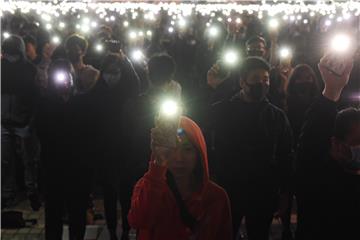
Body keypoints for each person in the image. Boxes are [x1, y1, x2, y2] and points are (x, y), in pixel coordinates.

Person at [208, 57, 293, 240]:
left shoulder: (276, 117)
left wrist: (285, 191)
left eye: (266, 79)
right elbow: (209, 146)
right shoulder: (222, 111)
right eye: (256, 78)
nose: (261, 84)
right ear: (242, 82)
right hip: (229, 189)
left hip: (263, 192)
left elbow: (285, 154)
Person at [128, 116, 232, 240]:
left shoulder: (216, 196)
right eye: (172, 149)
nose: (179, 158)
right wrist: (158, 164)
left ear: (199, 153)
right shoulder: (147, 187)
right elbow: (139, 221)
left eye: (187, 149)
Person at [295, 55, 360, 240]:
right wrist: (332, 90)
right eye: (356, 143)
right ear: (336, 145)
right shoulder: (318, 182)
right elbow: (310, 146)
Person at [121, 53, 181, 239]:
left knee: (143, 212)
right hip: (166, 167)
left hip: (138, 166)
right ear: (171, 76)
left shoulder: (133, 104)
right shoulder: (177, 105)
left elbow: (125, 137)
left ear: (148, 73)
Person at [36, 59, 92, 240]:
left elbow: (89, 134)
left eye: (68, 75)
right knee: (54, 215)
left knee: (77, 214)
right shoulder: (45, 104)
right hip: (53, 167)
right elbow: (41, 133)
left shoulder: (82, 102)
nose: (64, 81)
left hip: (78, 168)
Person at [93, 52, 140, 240]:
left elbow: (136, 83)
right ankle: (112, 229)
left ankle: (127, 229)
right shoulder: (98, 94)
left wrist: (126, 60)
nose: (111, 76)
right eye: (108, 72)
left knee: (126, 193)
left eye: (116, 72)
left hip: (124, 150)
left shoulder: (128, 94)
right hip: (105, 151)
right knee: (109, 194)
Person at [1, 35, 41, 210]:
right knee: (4, 161)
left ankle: (31, 191)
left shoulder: (30, 70)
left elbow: (35, 97)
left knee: (29, 161)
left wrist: (30, 121)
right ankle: (7, 193)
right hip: (3, 121)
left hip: (23, 121)